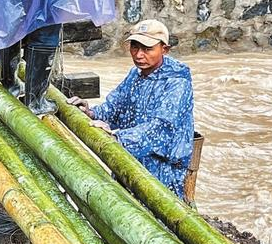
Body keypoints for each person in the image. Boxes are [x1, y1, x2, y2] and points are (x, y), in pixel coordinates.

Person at [68, 20, 194, 199]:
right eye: (135, 47)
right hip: (131, 158)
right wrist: (91, 113)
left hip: (162, 169)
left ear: (164, 50)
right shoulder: (135, 74)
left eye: (147, 49)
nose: (139, 55)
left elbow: (160, 128)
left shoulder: (177, 84)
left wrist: (119, 138)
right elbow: (114, 107)